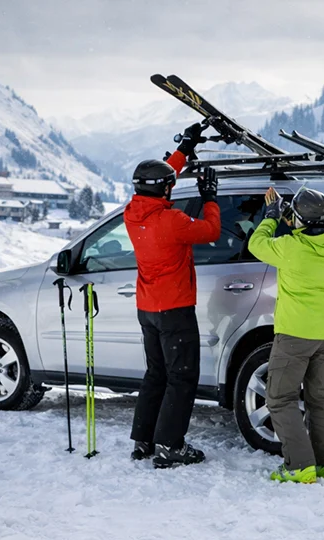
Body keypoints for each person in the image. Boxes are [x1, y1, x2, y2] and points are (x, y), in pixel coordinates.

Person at [126, 123, 220, 469]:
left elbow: (159, 181)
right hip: (175, 308)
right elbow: (211, 230)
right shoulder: (172, 220)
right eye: (169, 185)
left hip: (148, 308)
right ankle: (170, 447)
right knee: (181, 378)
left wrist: (185, 149)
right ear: (164, 190)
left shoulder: (133, 213)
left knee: (156, 374)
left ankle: (144, 440)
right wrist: (209, 198)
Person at [248, 186, 324, 484]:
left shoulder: (291, 248)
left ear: (301, 221)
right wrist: (295, 220)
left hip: (294, 333)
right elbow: (306, 234)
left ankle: (300, 466)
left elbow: (257, 243)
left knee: (279, 398)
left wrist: (272, 216)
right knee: (320, 398)